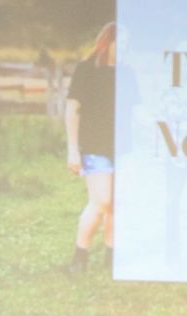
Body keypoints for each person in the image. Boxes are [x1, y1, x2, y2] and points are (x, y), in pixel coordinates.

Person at [62, 23, 136, 276]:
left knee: (117, 204)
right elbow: (72, 109)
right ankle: (79, 257)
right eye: (121, 42)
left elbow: (136, 112)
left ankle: (111, 257)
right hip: (94, 146)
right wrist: (73, 149)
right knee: (101, 200)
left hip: (124, 148)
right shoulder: (86, 71)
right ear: (107, 42)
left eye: (128, 43)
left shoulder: (128, 73)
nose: (125, 48)